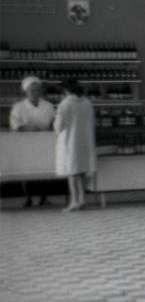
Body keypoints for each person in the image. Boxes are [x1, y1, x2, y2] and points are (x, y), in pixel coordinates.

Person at [9, 75, 56, 207]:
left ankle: (44, 197)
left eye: (38, 90)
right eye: (32, 90)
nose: (35, 93)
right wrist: (30, 127)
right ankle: (28, 198)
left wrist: (50, 129)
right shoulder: (18, 107)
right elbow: (15, 125)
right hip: (25, 143)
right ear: (26, 91)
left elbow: (54, 123)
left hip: (44, 142)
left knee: (45, 169)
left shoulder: (48, 106)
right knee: (26, 170)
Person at [53, 78, 96, 212]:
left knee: (72, 172)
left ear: (65, 90)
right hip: (85, 140)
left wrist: (55, 125)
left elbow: (59, 126)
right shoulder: (87, 103)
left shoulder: (65, 104)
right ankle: (82, 199)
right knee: (81, 171)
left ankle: (74, 201)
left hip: (70, 141)